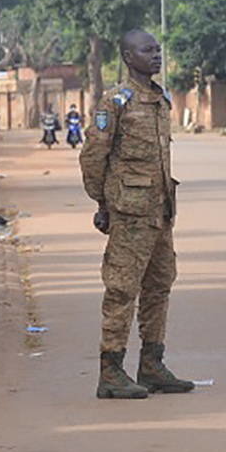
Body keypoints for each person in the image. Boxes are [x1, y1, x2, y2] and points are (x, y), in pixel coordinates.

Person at [79, 28, 193, 399]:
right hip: (129, 214)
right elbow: (93, 156)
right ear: (129, 58)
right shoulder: (116, 102)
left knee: (160, 285)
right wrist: (102, 203)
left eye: (158, 49)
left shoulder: (160, 101)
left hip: (160, 212)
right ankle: (110, 371)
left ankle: (152, 364)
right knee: (122, 290)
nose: (156, 55)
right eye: (148, 50)